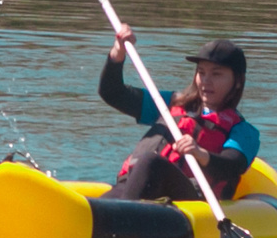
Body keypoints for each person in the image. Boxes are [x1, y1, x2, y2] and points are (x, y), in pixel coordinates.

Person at [99, 28, 257, 202]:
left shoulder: (242, 130)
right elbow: (112, 93)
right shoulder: (171, 103)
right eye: (201, 72)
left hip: (189, 201)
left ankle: (123, 217)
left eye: (216, 74)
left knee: (152, 162)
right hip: (136, 186)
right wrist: (118, 52)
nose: (205, 81)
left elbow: (232, 165)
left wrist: (199, 153)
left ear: (237, 82)